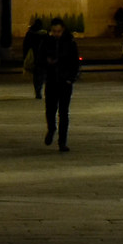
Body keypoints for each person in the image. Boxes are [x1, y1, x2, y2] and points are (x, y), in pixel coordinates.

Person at [39, 19, 81, 151]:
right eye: (54, 31)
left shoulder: (70, 43)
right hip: (51, 81)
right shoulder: (47, 42)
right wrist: (47, 63)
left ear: (63, 30)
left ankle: (62, 141)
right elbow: (39, 59)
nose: (56, 34)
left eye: (59, 31)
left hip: (64, 82)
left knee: (63, 112)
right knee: (50, 110)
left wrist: (70, 78)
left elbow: (75, 62)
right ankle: (51, 129)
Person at [21, 20, 44, 98]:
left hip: (33, 57)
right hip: (41, 57)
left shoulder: (30, 34)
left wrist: (25, 56)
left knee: (36, 75)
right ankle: (39, 89)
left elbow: (25, 46)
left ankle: (37, 90)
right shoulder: (43, 34)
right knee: (40, 75)